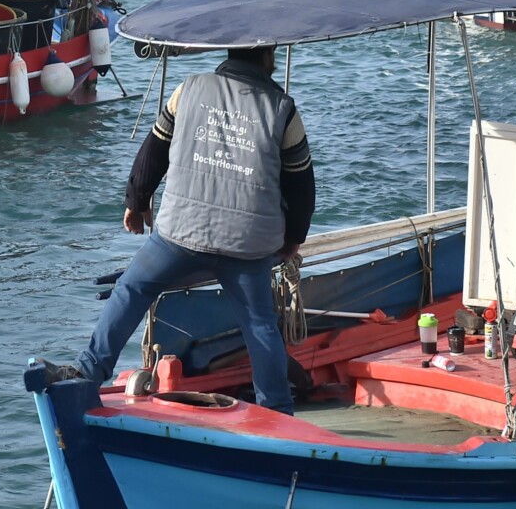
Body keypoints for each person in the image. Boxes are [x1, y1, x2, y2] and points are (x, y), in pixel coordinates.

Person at [40, 45, 316, 412]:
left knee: (132, 288)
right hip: (247, 244)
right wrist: (294, 239)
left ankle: (88, 373)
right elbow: (301, 185)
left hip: (181, 233)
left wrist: (136, 203)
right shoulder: (283, 109)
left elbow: (153, 150)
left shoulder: (189, 89)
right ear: (268, 59)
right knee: (259, 323)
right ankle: (278, 412)